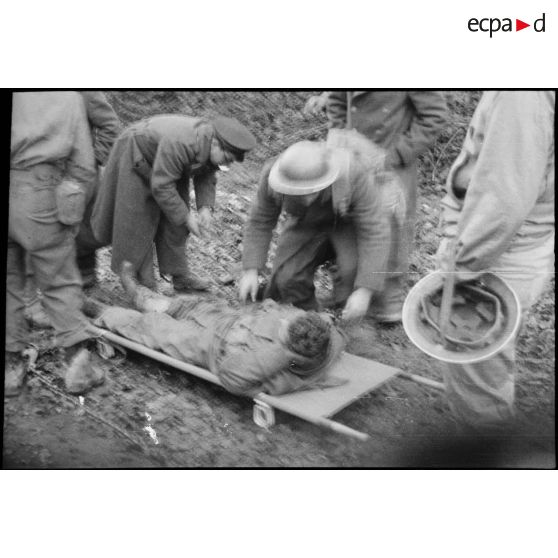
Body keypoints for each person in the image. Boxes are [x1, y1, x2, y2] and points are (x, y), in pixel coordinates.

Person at [435, 90, 554, 434]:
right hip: (505, 247)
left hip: (495, 255)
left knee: (477, 386)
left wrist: (460, 270)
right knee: (487, 368)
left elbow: (503, 199)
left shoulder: (521, 94)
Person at [86, 262, 346, 398]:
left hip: (204, 345)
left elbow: (231, 376)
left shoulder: (279, 365)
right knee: (179, 305)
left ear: (288, 353)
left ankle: (95, 310)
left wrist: (279, 353)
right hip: (228, 320)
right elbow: (334, 331)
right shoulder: (322, 334)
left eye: (283, 330)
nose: (283, 322)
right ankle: (138, 293)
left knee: (151, 327)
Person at [305, 91, 448, 322]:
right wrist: (340, 134)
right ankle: (348, 289)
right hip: (353, 156)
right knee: (347, 221)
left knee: (391, 228)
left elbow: (434, 116)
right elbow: (338, 99)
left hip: (390, 160)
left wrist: (396, 154)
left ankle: (388, 299)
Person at [239, 135, 401, 322]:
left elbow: (375, 231)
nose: (306, 198)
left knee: (352, 273)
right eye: (299, 193)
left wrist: (364, 291)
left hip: (349, 220)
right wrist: (250, 270)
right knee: (287, 277)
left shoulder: (353, 172)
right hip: (307, 221)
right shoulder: (272, 176)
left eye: (311, 191)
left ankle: (350, 311)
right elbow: (260, 220)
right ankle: (309, 318)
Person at [90, 114, 256, 292]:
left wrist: (205, 208)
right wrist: (187, 217)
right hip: (135, 153)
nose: (227, 165)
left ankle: (180, 276)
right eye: (227, 159)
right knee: (136, 222)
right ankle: (141, 284)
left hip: (167, 164)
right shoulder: (182, 143)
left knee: (175, 222)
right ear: (215, 144)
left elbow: (207, 173)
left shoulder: (210, 143)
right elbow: (162, 187)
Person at [6, 92, 98, 395]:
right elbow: (83, 164)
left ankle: (9, 369)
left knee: (8, 283)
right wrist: (72, 207)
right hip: (41, 193)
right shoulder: (67, 95)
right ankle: (76, 366)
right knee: (59, 280)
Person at [24, 91, 122, 327]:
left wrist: (93, 158)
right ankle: (31, 302)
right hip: (39, 171)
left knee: (82, 226)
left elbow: (111, 126)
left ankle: (84, 278)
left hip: (77, 175)